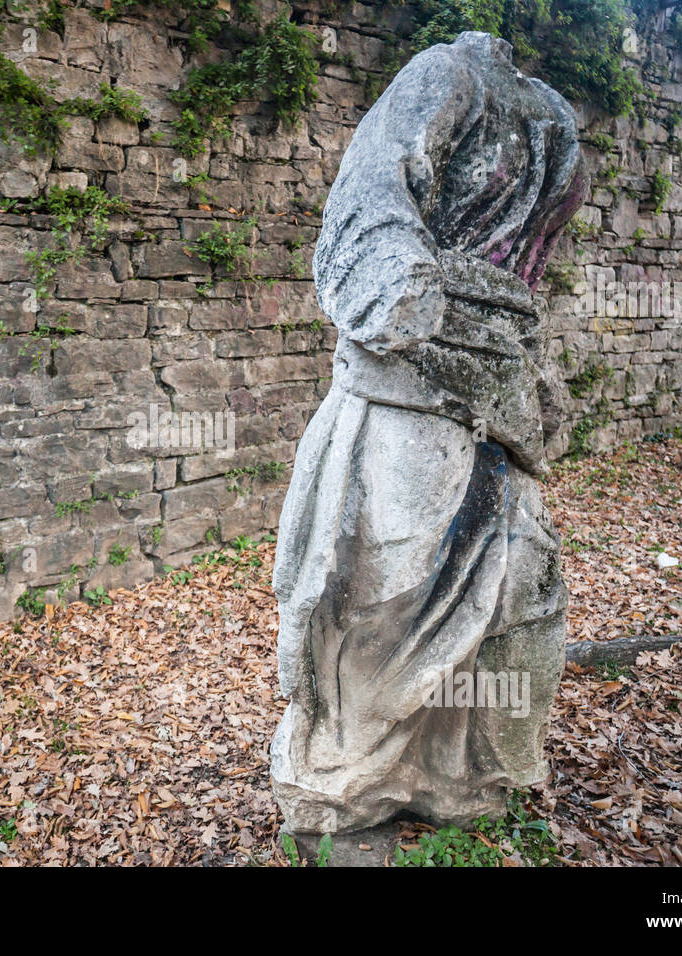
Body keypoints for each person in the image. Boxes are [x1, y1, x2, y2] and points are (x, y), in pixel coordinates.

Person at [271, 31, 589, 835]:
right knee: (387, 592)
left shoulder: (553, 117)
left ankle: (458, 775)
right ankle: (349, 773)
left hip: (497, 394)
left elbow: (530, 262)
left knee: (521, 590)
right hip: (409, 383)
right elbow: (371, 195)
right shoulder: (444, 75)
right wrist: (399, 290)